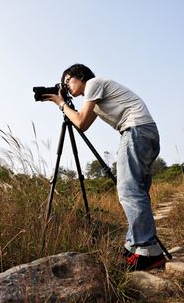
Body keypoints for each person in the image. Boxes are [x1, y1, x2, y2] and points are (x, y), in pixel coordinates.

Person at [42, 63, 166, 271]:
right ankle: (133, 246)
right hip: (146, 132)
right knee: (138, 191)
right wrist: (64, 104)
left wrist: (61, 103)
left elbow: (80, 122)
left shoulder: (93, 83)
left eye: (67, 81)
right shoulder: (95, 95)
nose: (66, 86)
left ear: (80, 77)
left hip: (135, 130)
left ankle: (148, 251)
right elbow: (82, 121)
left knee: (128, 190)